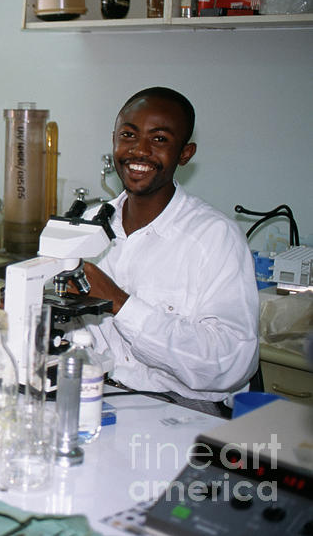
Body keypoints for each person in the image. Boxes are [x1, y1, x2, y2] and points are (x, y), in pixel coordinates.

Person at [74, 87, 259, 416]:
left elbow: (231, 363)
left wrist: (119, 302)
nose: (139, 150)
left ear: (185, 154)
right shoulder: (90, 223)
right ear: (114, 139)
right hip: (95, 391)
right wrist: (31, 304)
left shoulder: (215, 237)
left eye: (159, 139)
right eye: (129, 135)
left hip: (182, 406)